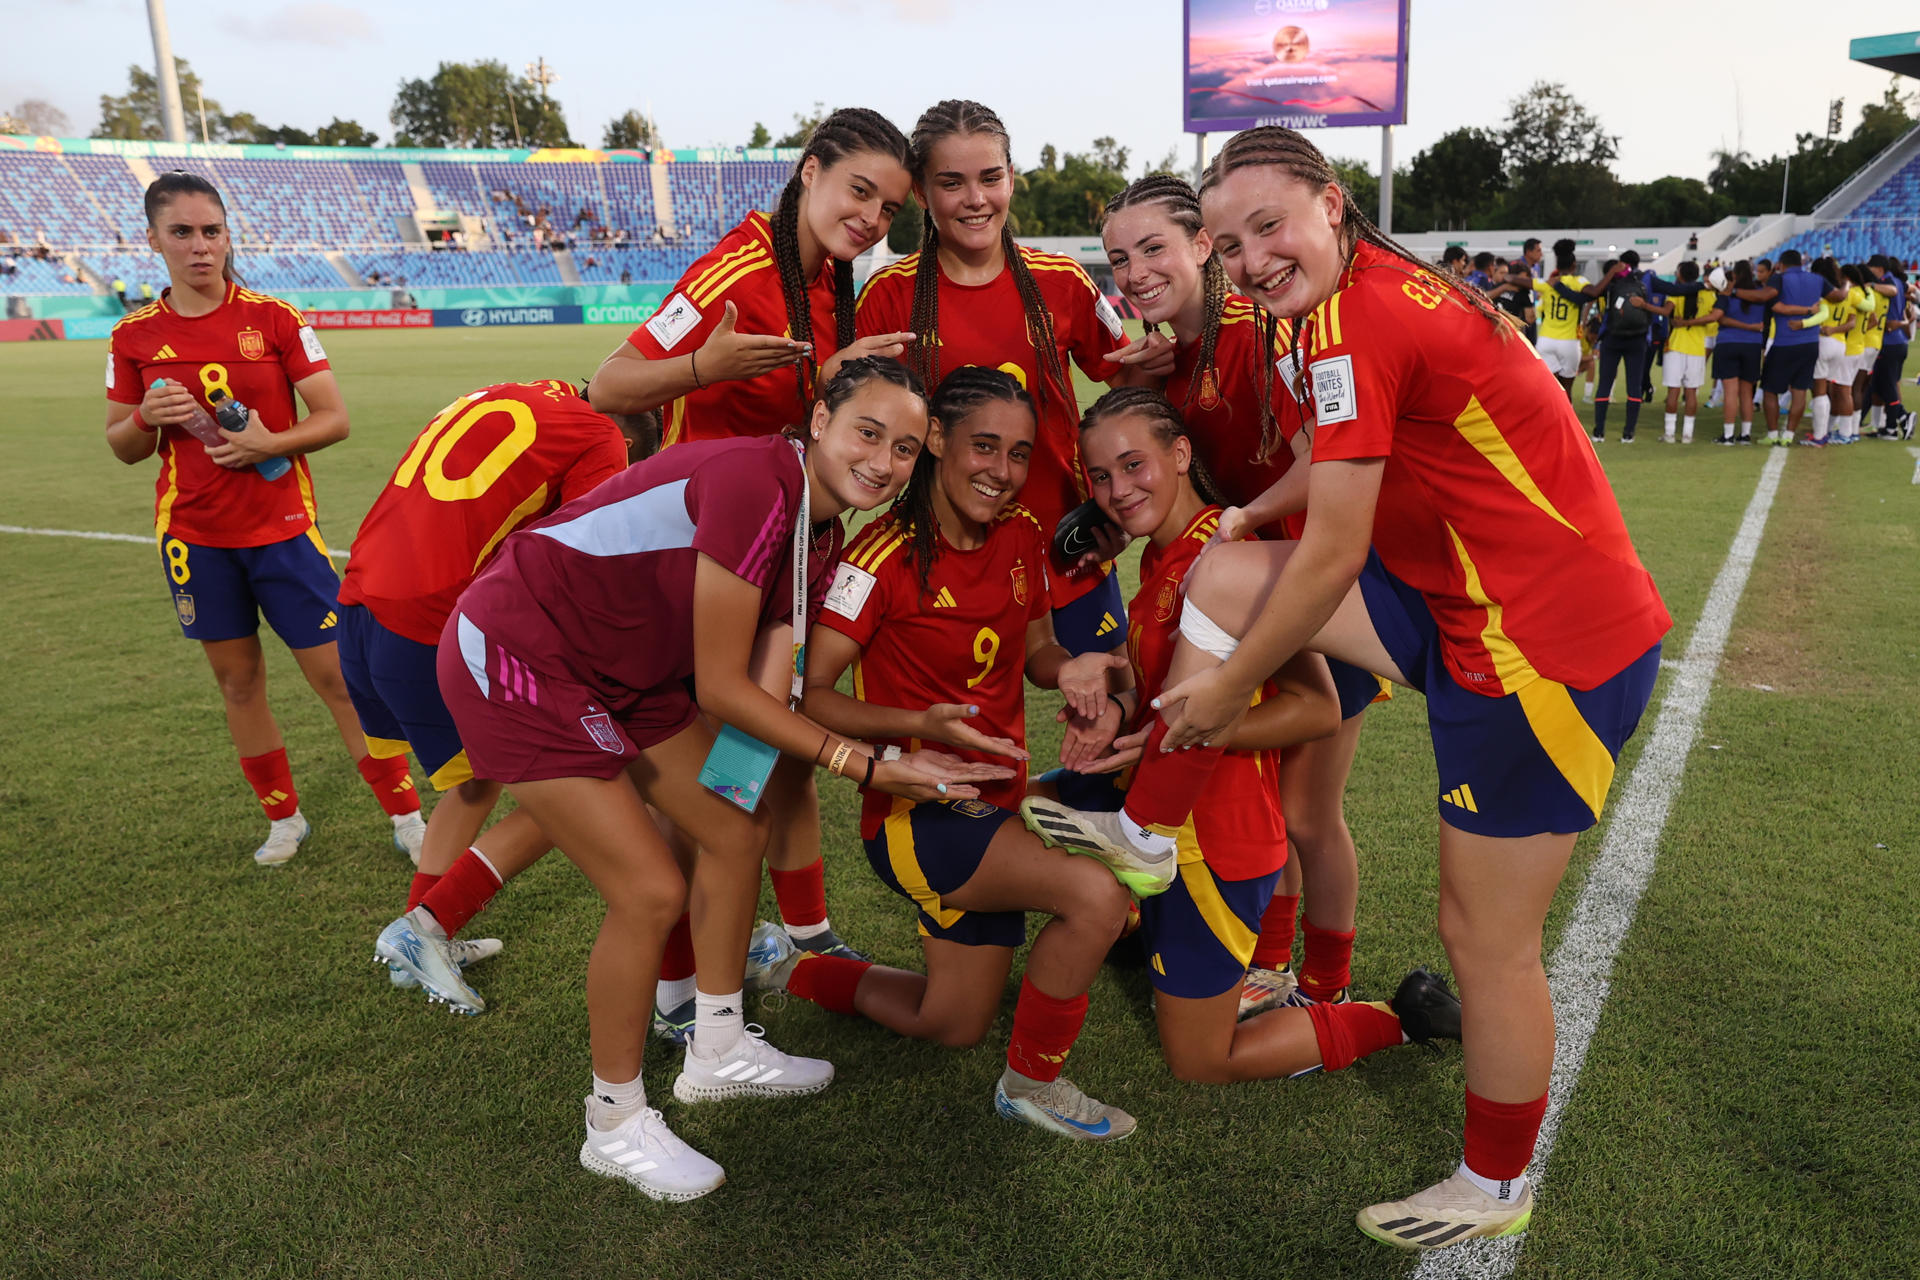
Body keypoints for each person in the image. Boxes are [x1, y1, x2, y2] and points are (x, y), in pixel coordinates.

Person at [1035, 128, 1670, 1249]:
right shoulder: (1339, 301)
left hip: (1541, 644)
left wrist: (1227, 690)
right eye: (1231, 241)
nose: (1252, 256)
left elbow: (1332, 550)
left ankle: (1494, 1176)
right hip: (1454, 600)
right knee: (1223, 573)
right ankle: (1149, 829)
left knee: (1483, 935)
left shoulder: (1360, 315)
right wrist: (1242, 518)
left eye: (1267, 226)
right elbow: (1333, 464)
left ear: (1333, 205)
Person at [389, 357, 985, 1202]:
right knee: (648, 890)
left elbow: (764, 690)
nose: (885, 461)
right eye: (868, 432)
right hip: (522, 650)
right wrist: (870, 766)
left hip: (624, 672)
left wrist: (843, 760)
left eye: (905, 449)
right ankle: (614, 1120)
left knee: (733, 832)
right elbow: (722, 687)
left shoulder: (822, 527)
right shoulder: (757, 481)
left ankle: (716, 1045)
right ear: (818, 420)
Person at [1021, 389, 1461, 1086]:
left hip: (1215, 845)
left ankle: (1403, 1017)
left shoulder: (1233, 559)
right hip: (1154, 826)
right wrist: (1120, 702)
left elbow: (1314, 706)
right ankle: (1121, 921)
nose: (1115, 491)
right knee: (1006, 811)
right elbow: (1170, 689)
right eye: (1100, 477)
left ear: (1181, 454)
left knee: (1200, 1061)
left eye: (1134, 465)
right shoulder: (1156, 560)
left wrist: (1192, 733)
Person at [587, 107, 918, 994]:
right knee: (702, 779)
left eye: (888, 208)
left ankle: (806, 935)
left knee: (777, 751)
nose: (871, 219)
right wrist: (705, 368)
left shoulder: (829, 278)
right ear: (810, 171)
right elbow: (607, 383)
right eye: (860, 191)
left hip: (789, 551)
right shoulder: (740, 266)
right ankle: (676, 986)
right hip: (713, 562)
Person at [783, 366, 1139, 1140]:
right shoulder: (878, 557)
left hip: (1000, 798)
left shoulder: (1021, 535)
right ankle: (1033, 1087)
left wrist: (1067, 669)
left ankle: (793, 968)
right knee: (1100, 898)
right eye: (984, 446)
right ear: (938, 441)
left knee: (950, 1023)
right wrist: (921, 723)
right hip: (924, 816)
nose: (1002, 472)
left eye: (1018, 454)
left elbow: (1038, 646)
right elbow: (809, 694)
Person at [1098, 173, 1380, 1014]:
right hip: (1234, 602)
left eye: (1154, 247)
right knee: (1263, 790)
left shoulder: (1264, 334)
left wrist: (1253, 520)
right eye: (1119, 258)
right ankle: (1269, 964)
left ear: (1200, 247)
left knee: (1305, 808)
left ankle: (1323, 983)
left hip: (1315, 592)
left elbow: (1327, 461)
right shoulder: (1172, 357)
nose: (1136, 271)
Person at [102, 171, 421, 867]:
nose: (199, 246)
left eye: (211, 231)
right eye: (181, 232)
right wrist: (142, 418)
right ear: (152, 239)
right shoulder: (133, 336)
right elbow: (123, 447)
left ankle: (406, 817)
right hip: (194, 539)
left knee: (340, 680)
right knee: (238, 682)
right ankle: (284, 819)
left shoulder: (274, 319)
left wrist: (268, 445)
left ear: (226, 237)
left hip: (282, 534)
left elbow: (334, 418)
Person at [343, 382, 653, 1003]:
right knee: (578, 776)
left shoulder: (521, 392)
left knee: (474, 783)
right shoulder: (601, 438)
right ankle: (422, 931)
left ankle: (425, 932)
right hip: (428, 623)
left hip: (361, 598)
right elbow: (581, 560)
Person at [856, 98, 1164, 657]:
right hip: (941, 562)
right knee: (959, 730)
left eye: (990, 177)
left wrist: (1118, 510)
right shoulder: (889, 296)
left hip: (1069, 551)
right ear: (923, 194)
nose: (976, 199)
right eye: (952, 183)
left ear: (1011, 180)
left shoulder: (1063, 282)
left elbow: (1132, 398)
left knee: (1111, 711)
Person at [1730, 248, 1823, 445]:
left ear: (1780, 264)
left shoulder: (1779, 279)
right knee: (1799, 390)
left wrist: (1734, 291)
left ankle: (1772, 434)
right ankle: (1788, 435)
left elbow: (1766, 298)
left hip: (1785, 341)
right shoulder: (1817, 279)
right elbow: (1838, 296)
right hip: (1811, 342)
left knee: (1770, 389)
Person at [1643, 261, 1719, 443]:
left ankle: (1669, 434)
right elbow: (1714, 316)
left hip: (1675, 346)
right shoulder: (1707, 294)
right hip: (1697, 348)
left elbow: (1664, 311)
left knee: (1673, 391)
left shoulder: (1675, 292)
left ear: (1680, 275)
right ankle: (1687, 435)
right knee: (1692, 392)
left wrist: (1643, 305)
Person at [1712, 261, 1766, 444]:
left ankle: (1727, 436)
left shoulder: (1727, 292)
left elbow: (1721, 319)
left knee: (1730, 392)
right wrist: (1751, 327)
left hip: (1728, 343)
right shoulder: (1759, 292)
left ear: (1734, 275)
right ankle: (1745, 435)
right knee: (1746, 393)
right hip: (1752, 345)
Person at [1530, 240, 1588, 397]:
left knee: (1549, 391)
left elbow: (1539, 309)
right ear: (1574, 265)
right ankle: (1567, 421)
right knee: (1566, 391)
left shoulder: (1548, 283)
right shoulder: (1578, 282)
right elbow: (1592, 293)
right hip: (1569, 341)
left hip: (1546, 340)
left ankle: (1547, 421)